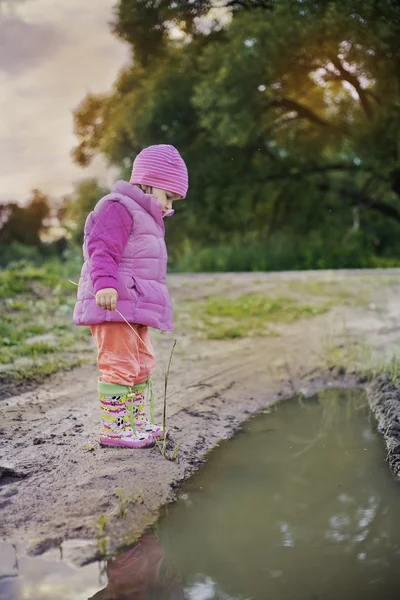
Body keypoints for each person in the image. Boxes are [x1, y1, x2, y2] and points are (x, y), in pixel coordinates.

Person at [73, 145, 188, 449]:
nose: (169, 207)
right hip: (113, 303)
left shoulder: (147, 217)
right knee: (119, 363)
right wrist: (105, 284)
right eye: (168, 198)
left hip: (134, 306)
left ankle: (137, 423)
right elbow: (102, 248)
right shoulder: (119, 206)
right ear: (148, 183)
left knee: (142, 362)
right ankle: (115, 428)